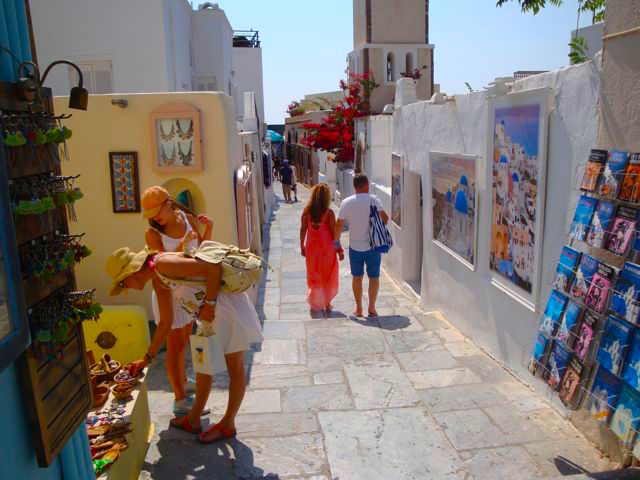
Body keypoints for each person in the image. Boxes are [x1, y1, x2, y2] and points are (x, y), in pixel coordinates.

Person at [106, 243, 263, 443]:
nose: (125, 288)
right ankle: (193, 419)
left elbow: (212, 268)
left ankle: (227, 423)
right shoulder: (158, 279)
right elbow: (165, 323)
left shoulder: (162, 264)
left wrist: (210, 303)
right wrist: (146, 359)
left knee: (235, 368)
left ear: (131, 273)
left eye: (122, 283)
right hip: (209, 317)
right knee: (202, 366)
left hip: (225, 310)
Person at [141, 186, 213, 416]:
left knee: (184, 342)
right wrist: (183, 247)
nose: (155, 217)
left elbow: (202, 249)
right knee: (175, 347)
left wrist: (208, 228)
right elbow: (162, 265)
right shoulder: (153, 233)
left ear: (168, 203)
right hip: (168, 294)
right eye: (150, 214)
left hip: (186, 292)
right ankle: (180, 399)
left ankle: (182, 380)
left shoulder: (187, 218)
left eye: (157, 211)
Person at [334, 173, 388, 317]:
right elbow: (385, 220)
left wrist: (337, 244)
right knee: (374, 277)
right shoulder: (374, 200)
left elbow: (339, 225)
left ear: (355, 186)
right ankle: (371, 308)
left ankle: (358, 308)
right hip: (373, 247)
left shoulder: (346, 202)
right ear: (365, 185)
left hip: (355, 247)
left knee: (357, 277)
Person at [300, 183, 339, 313]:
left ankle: (313, 303)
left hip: (312, 248)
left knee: (314, 274)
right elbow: (334, 234)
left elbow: (303, 229)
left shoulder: (306, 212)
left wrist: (302, 246)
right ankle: (327, 304)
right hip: (327, 250)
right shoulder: (329, 213)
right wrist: (339, 249)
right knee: (327, 274)